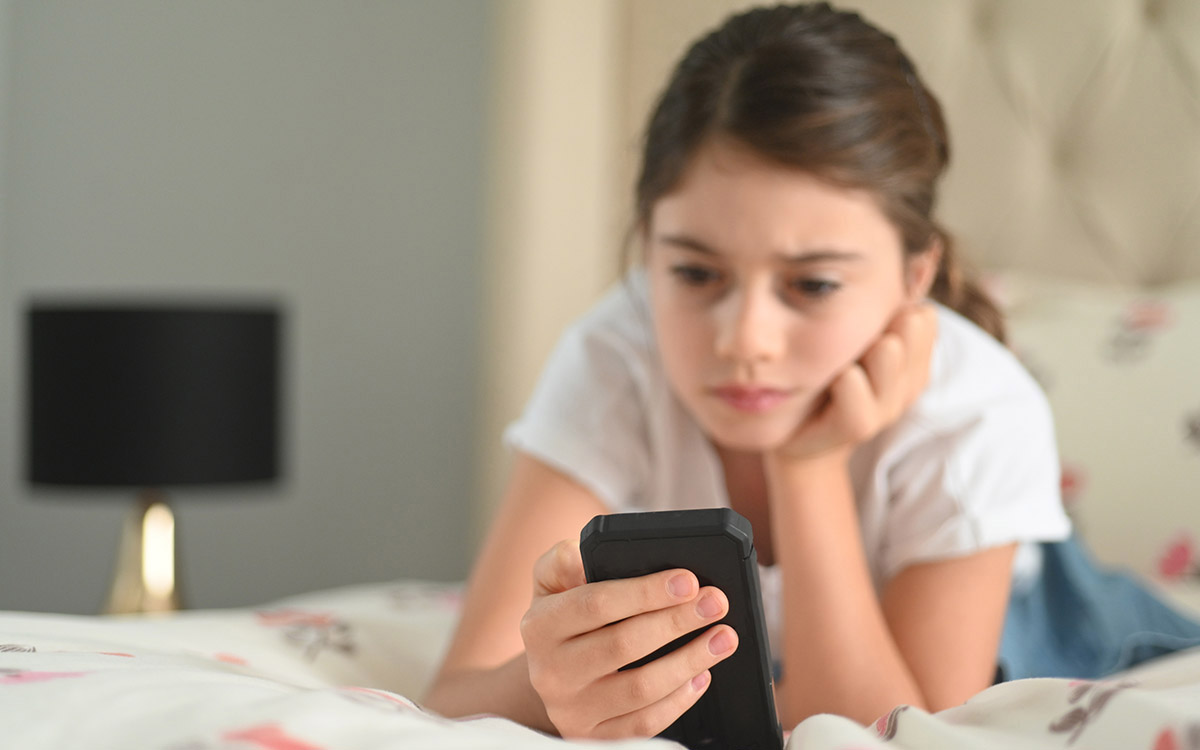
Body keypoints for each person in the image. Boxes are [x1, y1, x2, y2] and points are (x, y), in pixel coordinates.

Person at [423, 1, 1200, 738]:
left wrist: (809, 464)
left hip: (1066, 635)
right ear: (647, 247)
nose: (745, 339)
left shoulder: (981, 410)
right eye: (695, 274)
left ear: (913, 277)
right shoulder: (615, 356)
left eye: (814, 284)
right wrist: (548, 686)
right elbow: (454, 696)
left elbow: (896, 734)